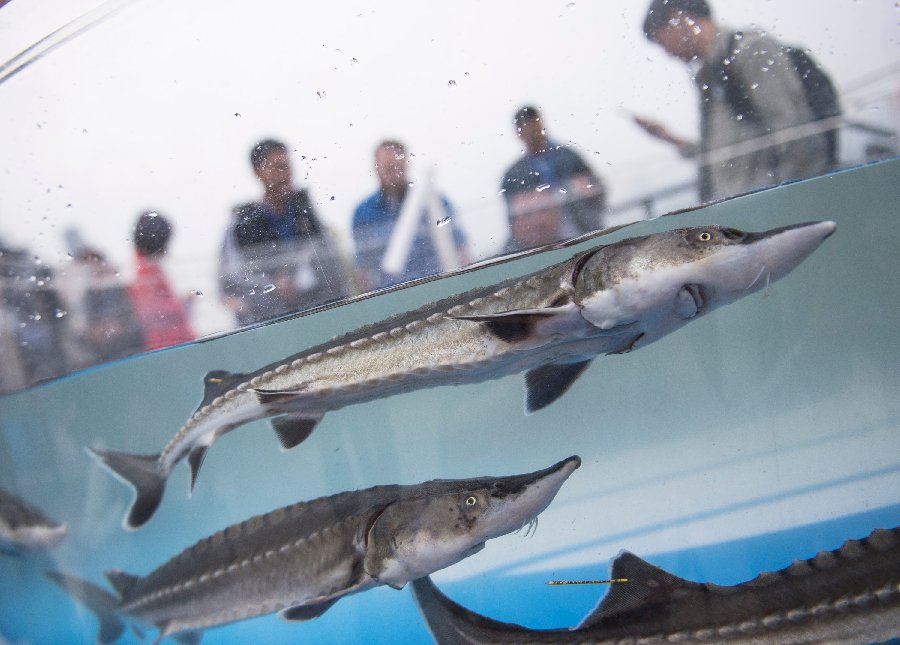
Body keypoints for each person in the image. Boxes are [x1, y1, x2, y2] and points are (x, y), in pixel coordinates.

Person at [637, 0, 835, 202]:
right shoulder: (707, 75)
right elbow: (724, 154)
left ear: (679, 18)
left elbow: (796, 133)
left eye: (662, 41)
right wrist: (670, 138)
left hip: (768, 204)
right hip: (739, 208)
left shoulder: (750, 50)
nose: (668, 54)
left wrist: (794, 202)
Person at [220, 139, 348, 325]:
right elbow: (229, 285)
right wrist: (273, 287)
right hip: (271, 324)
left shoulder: (306, 213)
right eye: (276, 168)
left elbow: (332, 262)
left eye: (287, 167)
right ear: (258, 173)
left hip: (317, 314)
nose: (284, 175)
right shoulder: (242, 224)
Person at [352, 140, 468, 291]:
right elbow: (363, 270)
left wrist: (465, 287)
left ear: (406, 165)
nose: (392, 174)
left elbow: (461, 250)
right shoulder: (362, 214)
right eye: (387, 168)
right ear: (376, 169)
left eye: (397, 167)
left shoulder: (434, 201)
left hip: (440, 288)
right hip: (391, 298)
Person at [499, 105, 606, 254]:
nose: (533, 135)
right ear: (519, 134)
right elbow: (514, 222)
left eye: (535, 128)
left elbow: (600, 190)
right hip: (540, 245)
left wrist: (584, 188)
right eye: (528, 131)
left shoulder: (569, 157)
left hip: (584, 231)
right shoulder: (513, 175)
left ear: (542, 125)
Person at [128, 211, 195, 351]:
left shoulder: (148, 268)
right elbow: (155, 316)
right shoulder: (145, 273)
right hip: (167, 349)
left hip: (172, 347)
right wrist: (185, 303)